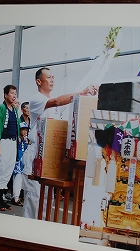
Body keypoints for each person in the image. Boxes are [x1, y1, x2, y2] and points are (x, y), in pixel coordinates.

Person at [22, 67, 98, 219]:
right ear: (39, 81)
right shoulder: (37, 99)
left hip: (49, 157)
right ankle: (26, 235)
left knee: (45, 200)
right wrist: (81, 92)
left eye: (53, 77)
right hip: (35, 154)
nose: (52, 80)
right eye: (48, 77)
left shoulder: (54, 106)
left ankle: (39, 236)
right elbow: (56, 101)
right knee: (34, 199)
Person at [0, 84, 19, 211]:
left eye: (15, 94)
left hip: (13, 142)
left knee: (8, 170)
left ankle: (1, 199)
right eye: (12, 93)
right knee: (0, 168)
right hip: (3, 142)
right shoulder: (1, 109)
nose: (14, 96)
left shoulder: (15, 109)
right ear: (6, 95)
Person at [11, 121, 29, 206]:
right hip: (17, 163)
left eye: (26, 130)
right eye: (23, 130)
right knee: (17, 180)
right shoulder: (17, 139)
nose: (25, 131)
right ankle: (15, 198)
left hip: (22, 163)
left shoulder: (25, 140)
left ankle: (16, 196)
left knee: (20, 180)